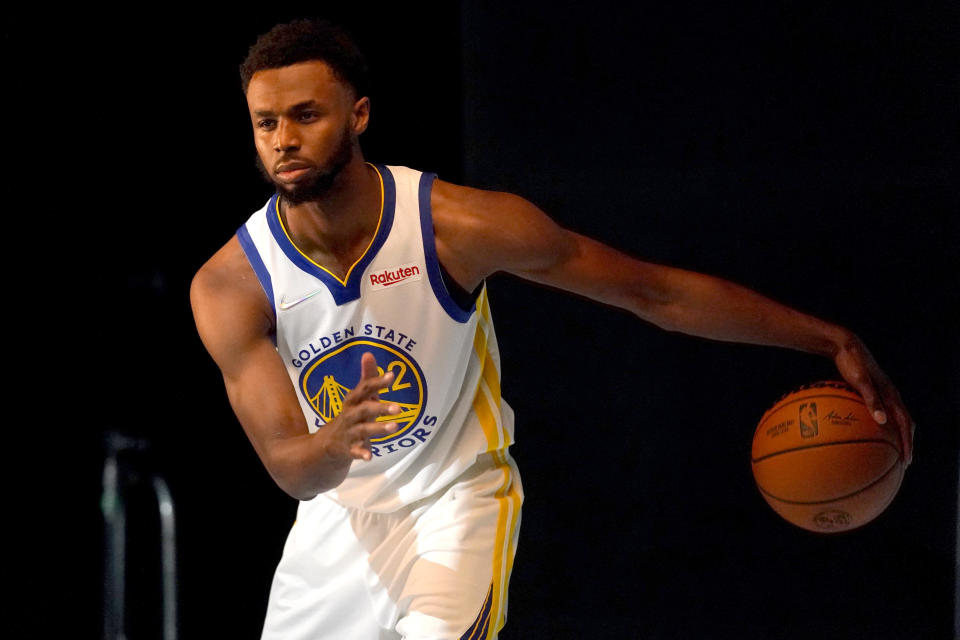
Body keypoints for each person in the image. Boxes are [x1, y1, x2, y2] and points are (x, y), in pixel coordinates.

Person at [190, 18, 915, 640]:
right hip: (336, 526)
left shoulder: (456, 227)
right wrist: (331, 442)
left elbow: (652, 292)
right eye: (266, 123)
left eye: (306, 115)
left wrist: (830, 340)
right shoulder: (232, 284)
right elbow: (291, 467)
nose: (283, 139)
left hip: (453, 500)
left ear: (360, 114)